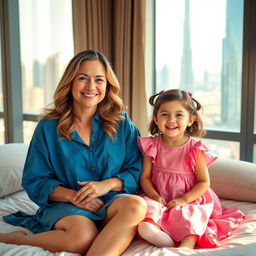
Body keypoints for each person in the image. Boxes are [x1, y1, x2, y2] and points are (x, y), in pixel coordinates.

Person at [0, 50, 147, 256]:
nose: (91, 87)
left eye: (99, 80)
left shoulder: (122, 124)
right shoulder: (48, 127)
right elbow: (35, 180)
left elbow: (136, 169)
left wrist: (107, 184)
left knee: (136, 205)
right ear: (70, 83)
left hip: (111, 200)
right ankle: (19, 238)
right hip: (66, 205)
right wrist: (74, 196)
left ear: (107, 85)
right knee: (82, 238)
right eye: (83, 78)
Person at [137, 89, 245, 249]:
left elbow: (203, 182)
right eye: (165, 114)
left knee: (190, 213)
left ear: (190, 119)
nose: (171, 120)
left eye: (179, 115)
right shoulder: (152, 145)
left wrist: (184, 200)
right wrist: (153, 195)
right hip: (160, 196)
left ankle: (187, 243)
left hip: (188, 197)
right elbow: (145, 177)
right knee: (147, 206)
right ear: (156, 118)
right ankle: (158, 233)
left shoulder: (195, 148)